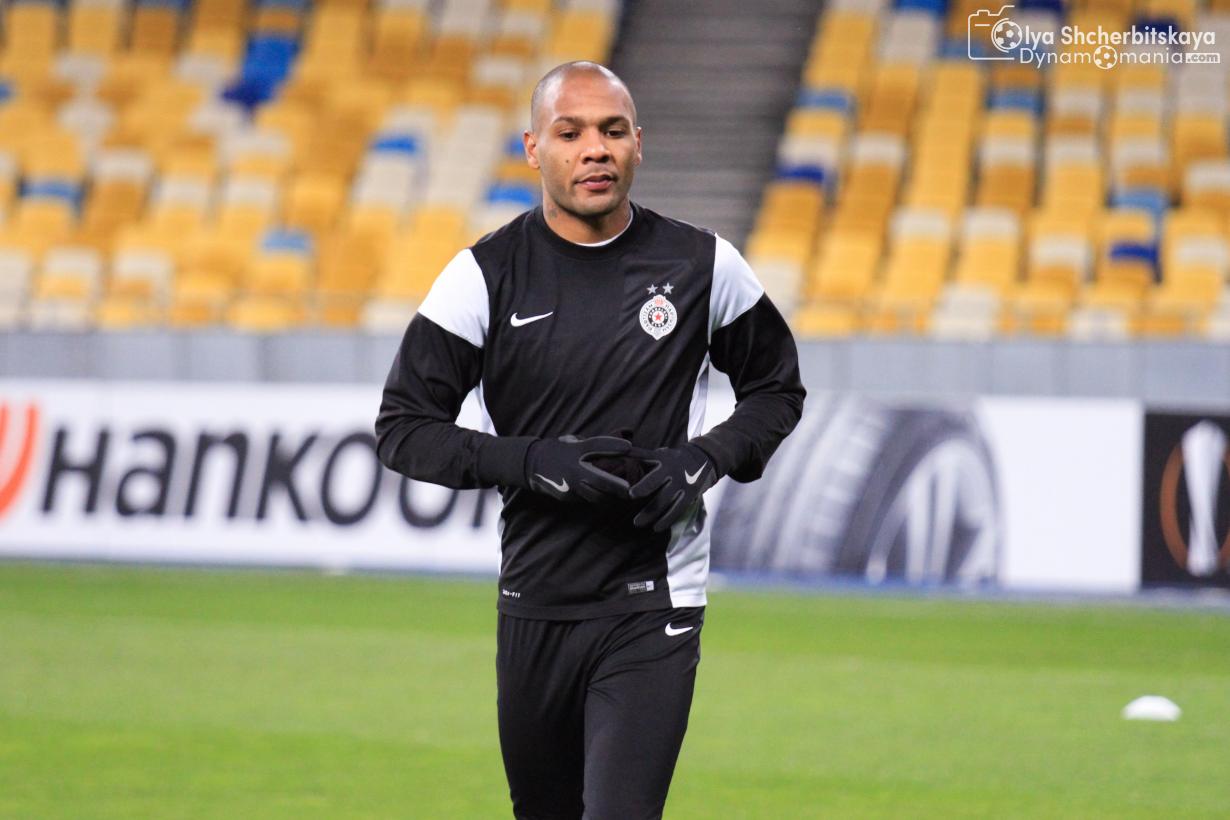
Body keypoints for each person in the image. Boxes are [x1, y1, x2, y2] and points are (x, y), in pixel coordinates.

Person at [375, 61, 805, 820]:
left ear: (639, 142)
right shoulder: (482, 275)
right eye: (570, 133)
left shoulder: (703, 265)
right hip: (533, 601)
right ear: (533, 149)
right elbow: (404, 428)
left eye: (612, 131)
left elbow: (777, 390)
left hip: (654, 602)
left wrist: (703, 460)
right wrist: (532, 461)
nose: (594, 149)